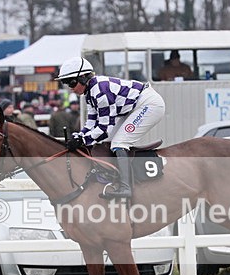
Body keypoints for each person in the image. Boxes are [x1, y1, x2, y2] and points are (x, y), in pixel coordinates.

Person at [56, 56, 166, 200]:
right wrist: (80, 135)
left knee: (119, 143)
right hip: (134, 107)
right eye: (66, 84)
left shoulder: (100, 91)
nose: (70, 88)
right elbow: (91, 123)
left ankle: (125, 187)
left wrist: (82, 140)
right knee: (109, 140)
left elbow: (103, 129)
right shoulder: (89, 93)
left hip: (149, 105)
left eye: (71, 82)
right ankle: (114, 176)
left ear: (83, 77)